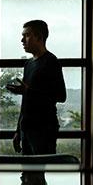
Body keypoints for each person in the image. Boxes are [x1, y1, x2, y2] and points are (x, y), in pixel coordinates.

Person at [7, 20, 66, 155]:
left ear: (39, 37)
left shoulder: (51, 62)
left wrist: (28, 91)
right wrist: (18, 130)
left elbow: (61, 96)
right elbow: (26, 102)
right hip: (26, 128)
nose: (22, 40)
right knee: (27, 173)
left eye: (27, 35)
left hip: (44, 128)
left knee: (38, 172)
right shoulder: (28, 64)